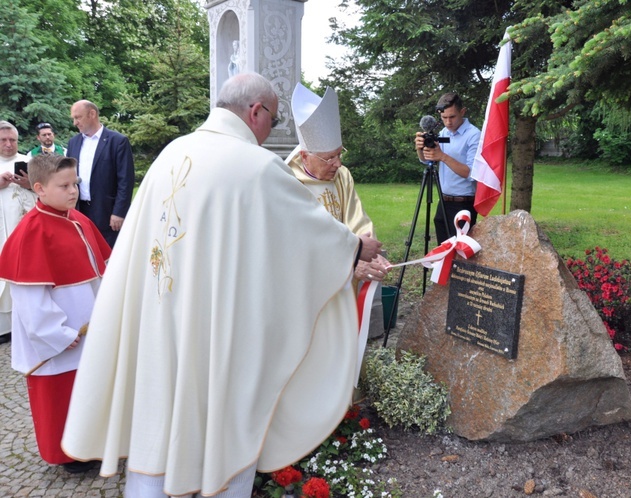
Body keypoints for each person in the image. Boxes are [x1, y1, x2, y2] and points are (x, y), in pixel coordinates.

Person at [61, 72, 382, 498]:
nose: (272, 130)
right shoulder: (255, 165)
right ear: (255, 112)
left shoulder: (172, 153)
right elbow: (307, 235)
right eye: (274, 118)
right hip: (217, 330)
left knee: (157, 423)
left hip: (159, 319)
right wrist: (355, 247)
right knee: (222, 427)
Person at [0, 154, 111, 473]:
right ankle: (68, 455)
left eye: (75, 183)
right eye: (64, 185)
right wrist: (59, 335)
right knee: (60, 396)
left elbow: (101, 272)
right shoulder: (31, 232)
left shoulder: (79, 220)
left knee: (89, 390)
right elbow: (30, 299)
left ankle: (92, 443)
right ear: (40, 189)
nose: (73, 191)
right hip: (60, 337)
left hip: (89, 332)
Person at [286, 82, 390, 284]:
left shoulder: (342, 175)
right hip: (309, 283)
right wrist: (350, 260)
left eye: (339, 154)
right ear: (305, 156)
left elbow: (356, 219)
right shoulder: (288, 182)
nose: (338, 163)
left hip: (345, 280)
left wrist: (369, 253)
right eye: (330, 158)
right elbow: (298, 242)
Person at [414, 92, 481, 243]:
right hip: (443, 201)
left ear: (462, 112)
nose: (448, 122)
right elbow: (427, 160)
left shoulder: (474, 135)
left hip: (464, 203)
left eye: (452, 117)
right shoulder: (445, 132)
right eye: (444, 118)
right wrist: (420, 148)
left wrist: (442, 156)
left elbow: (470, 173)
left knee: (461, 256)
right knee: (444, 252)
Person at [67, 100, 135, 247]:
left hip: (107, 212)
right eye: (73, 118)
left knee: (108, 256)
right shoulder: (73, 142)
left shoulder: (117, 141)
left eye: (78, 117)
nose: (75, 123)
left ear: (92, 114)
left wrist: (119, 212)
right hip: (79, 210)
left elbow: (126, 180)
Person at [0, 121, 37, 344]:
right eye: (3, 140)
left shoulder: (30, 162)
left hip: (23, 231)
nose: (8, 144)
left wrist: (30, 184)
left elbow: (48, 189)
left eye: (12, 139)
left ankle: (24, 323)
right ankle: (4, 328)